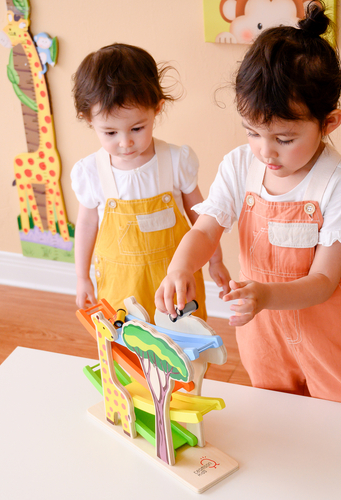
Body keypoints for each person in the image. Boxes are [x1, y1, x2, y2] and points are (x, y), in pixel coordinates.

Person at [155, 3, 341, 499]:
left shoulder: (336, 184)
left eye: (284, 138)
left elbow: (324, 281)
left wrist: (265, 295)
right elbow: (207, 227)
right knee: (279, 417)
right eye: (252, 132)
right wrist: (181, 264)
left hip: (329, 330)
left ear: (330, 123)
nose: (265, 151)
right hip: (263, 331)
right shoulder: (240, 166)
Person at [71, 43, 230, 320]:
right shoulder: (91, 172)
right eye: (110, 132)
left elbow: (203, 218)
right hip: (121, 286)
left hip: (174, 282)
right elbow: (86, 225)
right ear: (88, 120)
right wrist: (81, 276)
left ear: (157, 109)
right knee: (126, 337)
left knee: (181, 338)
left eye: (137, 128)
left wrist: (216, 260)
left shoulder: (176, 161)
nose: (125, 142)